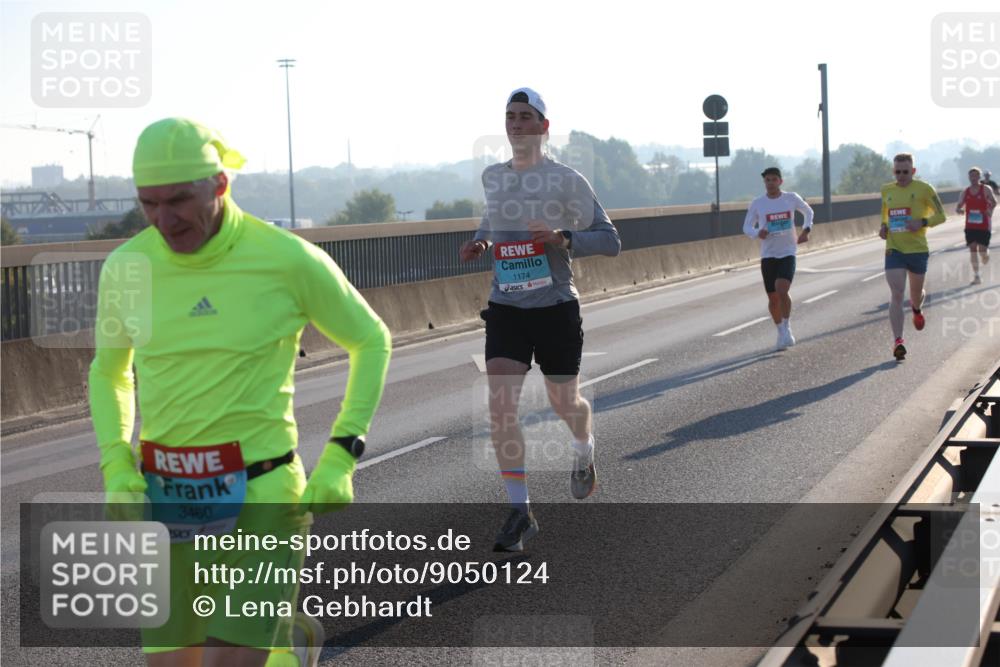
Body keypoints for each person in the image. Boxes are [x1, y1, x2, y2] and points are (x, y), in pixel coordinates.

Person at [89, 118, 391, 666]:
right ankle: (288, 645)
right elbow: (109, 372)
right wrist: (115, 465)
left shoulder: (285, 258)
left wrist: (343, 454)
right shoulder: (126, 267)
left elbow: (370, 339)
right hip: (167, 497)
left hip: (263, 495)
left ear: (220, 185)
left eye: (179, 200)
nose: (164, 219)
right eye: (148, 203)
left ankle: (276, 640)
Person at [459, 88, 620, 552]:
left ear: (544, 127)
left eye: (526, 117)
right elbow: (492, 225)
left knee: (564, 401)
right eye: (510, 117)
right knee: (500, 407)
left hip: (555, 306)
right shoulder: (494, 178)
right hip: (506, 306)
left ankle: (584, 447)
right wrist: (481, 244)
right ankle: (519, 511)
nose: (516, 124)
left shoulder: (567, 180)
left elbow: (610, 240)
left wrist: (563, 238)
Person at [878, 153, 946, 360]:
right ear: (893, 171)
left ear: (913, 171)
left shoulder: (925, 189)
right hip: (894, 249)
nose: (901, 176)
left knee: (914, 295)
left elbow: (942, 215)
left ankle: (916, 308)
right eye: (897, 172)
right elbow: (885, 213)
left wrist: (922, 223)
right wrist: (883, 227)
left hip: (917, 249)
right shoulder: (886, 190)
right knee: (897, 293)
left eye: (905, 172)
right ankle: (898, 341)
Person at [742, 167, 814, 349]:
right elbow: (746, 227)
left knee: (782, 289)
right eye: (767, 180)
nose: (771, 183)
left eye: (774, 179)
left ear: (780, 181)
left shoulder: (790, 198)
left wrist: (806, 231)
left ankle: (787, 326)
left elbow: (808, 212)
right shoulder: (758, 203)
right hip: (768, 255)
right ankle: (781, 331)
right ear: (764, 182)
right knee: (773, 298)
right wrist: (759, 232)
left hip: (787, 252)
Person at [956, 167, 997, 284]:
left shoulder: (986, 189)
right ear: (969, 177)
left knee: (982, 251)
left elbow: (994, 202)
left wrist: (990, 210)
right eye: (971, 176)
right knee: (973, 249)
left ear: (979, 177)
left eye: (976, 176)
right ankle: (977, 276)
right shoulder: (965, 191)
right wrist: (959, 210)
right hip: (970, 225)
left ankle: (985, 255)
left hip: (984, 224)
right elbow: (959, 205)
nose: (973, 178)